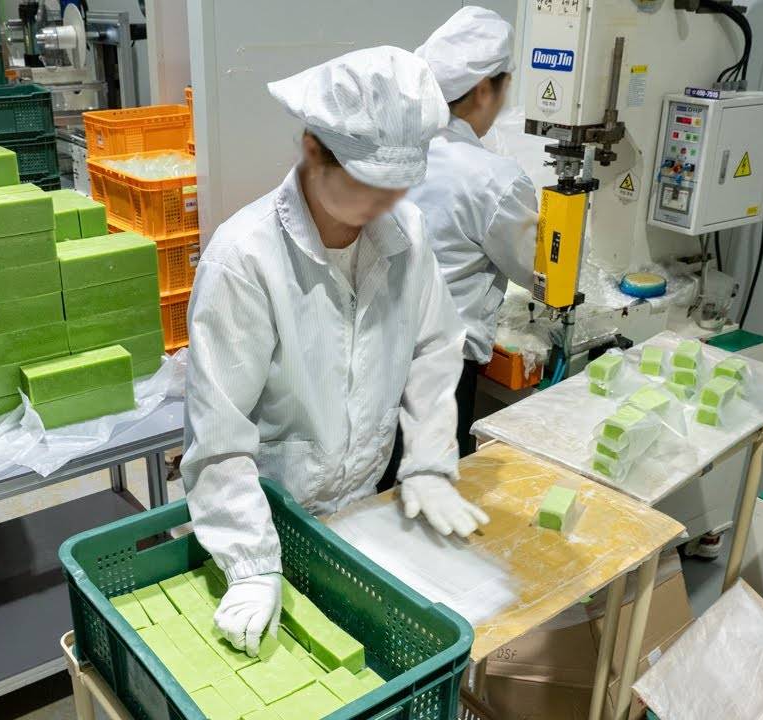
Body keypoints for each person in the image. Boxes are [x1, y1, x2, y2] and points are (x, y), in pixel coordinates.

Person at [182, 46, 490, 658]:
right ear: (313, 150)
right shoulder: (245, 259)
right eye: (368, 183)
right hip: (264, 521)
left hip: (362, 516)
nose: (384, 204)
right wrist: (251, 566)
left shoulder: (406, 235)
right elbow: (218, 436)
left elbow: (434, 346)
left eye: (398, 185)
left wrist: (428, 460)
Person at [409, 7, 539, 457]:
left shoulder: (400, 147)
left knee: (385, 482)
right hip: (440, 370)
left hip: (378, 353)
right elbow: (540, 272)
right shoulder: (495, 179)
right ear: (484, 90)